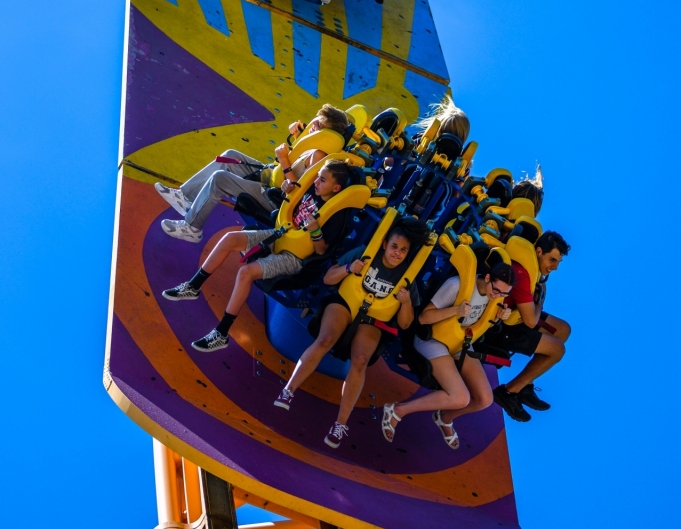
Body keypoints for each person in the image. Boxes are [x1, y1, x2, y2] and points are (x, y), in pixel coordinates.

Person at [162, 160, 355, 353]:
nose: (316, 182)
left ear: (336, 188)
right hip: (280, 235)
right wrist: (288, 189)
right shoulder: (311, 191)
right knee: (230, 239)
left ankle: (222, 333)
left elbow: (321, 251)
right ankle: (193, 286)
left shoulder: (336, 214)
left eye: (322, 180)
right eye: (317, 177)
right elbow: (290, 206)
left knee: (246, 272)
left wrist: (315, 231)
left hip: (294, 256)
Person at [273, 217, 432, 449]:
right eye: (394, 247)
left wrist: (406, 302)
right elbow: (328, 278)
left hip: (373, 318)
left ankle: (340, 424)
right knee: (325, 339)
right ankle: (288, 390)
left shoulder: (408, 276)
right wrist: (350, 268)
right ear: (385, 243)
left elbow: (405, 324)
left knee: (360, 361)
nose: (397, 253)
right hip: (346, 303)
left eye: (403, 250)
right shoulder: (365, 253)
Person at [155, 104, 350, 243]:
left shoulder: (320, 157)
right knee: (229, 155)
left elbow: (299, 192)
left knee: (219, 179)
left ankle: (192, 228)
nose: (312, 126)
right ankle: (185, 197)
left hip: (276, 197)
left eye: (318, 126)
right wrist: (297, 138)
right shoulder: (311, 143)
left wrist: (283, 160)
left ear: (327, 134)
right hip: (270, 176)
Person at [381, 253, 515, 449]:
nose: (498, 296)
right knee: (460, 397)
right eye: (497, 290)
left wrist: (501, 314)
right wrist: (455, 310)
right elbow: (424, 318)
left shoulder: (494, 298)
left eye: (504, 294)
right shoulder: (456, 285)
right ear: (487, 278)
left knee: (485, 398)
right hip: (432, 339)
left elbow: (484, 321)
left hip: (460, 344)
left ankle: (445, 417)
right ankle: (397, 410)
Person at [486, 230, 571, 422]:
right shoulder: (522, 274)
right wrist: (539, 302)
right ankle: (508, 392)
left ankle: (524, 385)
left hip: (516, 317)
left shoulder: (530, 269)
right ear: (539, 251)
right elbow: (531, 321)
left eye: (558, 262)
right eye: (552, 260)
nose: (555, 267)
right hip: (499, 328)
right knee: (557, 350)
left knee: (563, 329)